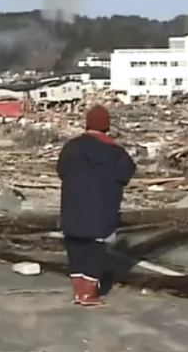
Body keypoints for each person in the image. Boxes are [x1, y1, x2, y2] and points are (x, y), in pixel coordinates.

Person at [55, 104, 136, 306]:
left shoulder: (71, 148)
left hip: (73, 206)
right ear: (106, 127)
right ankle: (88, 294)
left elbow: (61, 170)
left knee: (75, 248)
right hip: (102, 207)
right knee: (95, 250)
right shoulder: (116, 153)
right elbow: (127, 173)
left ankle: (78, 292)